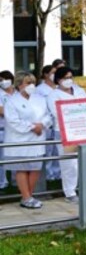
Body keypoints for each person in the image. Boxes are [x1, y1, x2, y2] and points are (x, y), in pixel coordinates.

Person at [4, 72, 52, 208]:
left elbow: (48, 116)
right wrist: (32, 127)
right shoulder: (12, 101)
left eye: (32, 82)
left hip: (37, 137)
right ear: (19, 85)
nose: (31, 85)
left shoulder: (40, 99)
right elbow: (13, 121)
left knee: (35, 168)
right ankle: (26, 197)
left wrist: (41, 125)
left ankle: (28, 197)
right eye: (27, 82)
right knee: (22, 168)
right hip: (20, 139)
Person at [46, 67, 86, 202]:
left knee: (84, 161)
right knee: (69, 164)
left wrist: (74, 109)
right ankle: (70, 192)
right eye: (65, 78)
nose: (68, 80)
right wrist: (76, 109)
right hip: (65, 131)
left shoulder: (79, 90)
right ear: (58, 80)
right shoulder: (53, 95)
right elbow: (58, 113)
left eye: (70, 77)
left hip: (83, 129)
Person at [35, 65, 60, 181]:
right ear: (46, 74)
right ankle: (48, 175)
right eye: (53, 72)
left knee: (57, 150)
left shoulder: (58, 88)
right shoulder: (40, 90)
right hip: (47, 123)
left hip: (58, 124)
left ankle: (57, 174)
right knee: (47, 151)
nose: (55, 74)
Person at [0, 70, 16, 189]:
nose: (3, 82)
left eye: (5, 79)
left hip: (17, 131)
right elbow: (1, 111)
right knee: (2, 159)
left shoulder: (18, 93)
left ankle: (16, 182)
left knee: (17, 157)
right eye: (0, 80)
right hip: (3, 130)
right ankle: (3, 183)